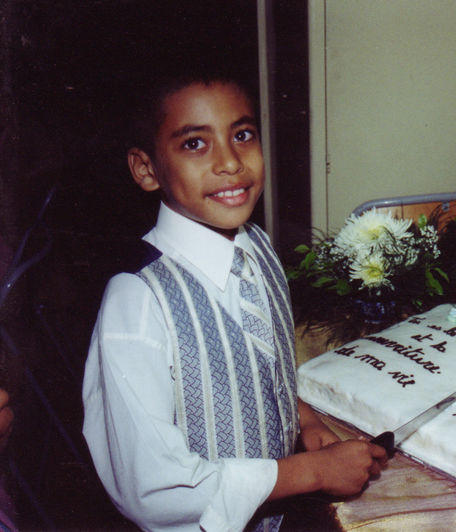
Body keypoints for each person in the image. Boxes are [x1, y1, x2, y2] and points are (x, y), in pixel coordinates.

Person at [82, 68, 387, 531]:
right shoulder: (137, 301)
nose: (230, 163)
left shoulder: (256, 245)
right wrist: (312, 473)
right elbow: (153, 488)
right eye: (194, 143)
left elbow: (263, 367)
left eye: (242, 135)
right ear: (147, 170)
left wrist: (303, 421)